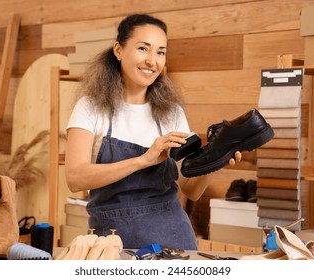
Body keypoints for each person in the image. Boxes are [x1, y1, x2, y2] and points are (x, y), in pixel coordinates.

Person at [65, 13, 241, 250]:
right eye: (143, 49)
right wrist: (143, 160)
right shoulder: (91, 107)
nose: (152, 61)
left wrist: (214, 161)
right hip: (112, 239)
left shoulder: (172, 112)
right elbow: (75, 178)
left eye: (160, 52)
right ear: (118, 50)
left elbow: (191, 191)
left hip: (173, 236)